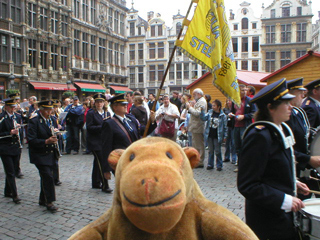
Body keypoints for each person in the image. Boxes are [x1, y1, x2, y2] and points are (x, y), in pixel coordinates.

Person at [237, 79, 310, 240]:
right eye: (286, 103)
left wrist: (293, 182)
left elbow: (273, 170)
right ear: (270, 107)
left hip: (282, 218)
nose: (291, 107)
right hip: (268, 222)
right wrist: (284, 200)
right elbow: (248, 184)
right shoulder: (259, 136)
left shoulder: (280, 129)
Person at [101, 94, 156, 176]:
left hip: (135, 158)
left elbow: (142, 132)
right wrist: (106, 169)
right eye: (122, 105)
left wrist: (152, 121)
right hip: (121, 160)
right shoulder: (109, 123)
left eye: (126, 104)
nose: (125, 106)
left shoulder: (131, 119)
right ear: (115, 107)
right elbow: (106, 146)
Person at [286, 77, 320, 199]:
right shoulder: (287, 117)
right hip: (294, 166)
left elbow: (308, 136)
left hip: (303, 166)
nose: (303, 95)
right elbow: (287, 147)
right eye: (299, 93)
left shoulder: (299, 112)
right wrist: (308, 159)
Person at [28, 100, 60, 212]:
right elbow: (31, 140)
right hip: (39, 154)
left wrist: (57, 133)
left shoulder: (52, 120)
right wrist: (46, 141)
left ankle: (43, 199)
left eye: (51, 109)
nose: (49, 112)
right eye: (47, 110)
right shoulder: (34, 121)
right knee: (48, 176)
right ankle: (49, 201)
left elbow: (56, 136)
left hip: (51, 153)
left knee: (46, 176)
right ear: (41, 110)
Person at [86, 93, 112, 193]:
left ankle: (95, 182)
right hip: (95, 142)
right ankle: (105, 184)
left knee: (97, 162)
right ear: (94, 103)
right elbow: (89, 127)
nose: (99, 104)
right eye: (97, 102)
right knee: (102, 162)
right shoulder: (91, 113)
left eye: (101, 102)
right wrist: (102, 127)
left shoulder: (107, 113)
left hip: (104, 141)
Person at [228, 84, 256, 172]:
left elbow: (254, 113)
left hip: (245, 125)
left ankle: (247, 166)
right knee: (237, 146)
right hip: (236, 126)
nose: (244, 92)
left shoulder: (250, 100)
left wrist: (244, 116)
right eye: (242, 90)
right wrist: (230, 114)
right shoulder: (234, 100)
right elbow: (232, 111)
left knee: (245, 145)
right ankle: (240, 165)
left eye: (245, 90)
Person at [0, 98, 22, 204]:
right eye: (12, 107)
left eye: (14, 107)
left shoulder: (16, 117)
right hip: (5, 147)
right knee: (10, 172)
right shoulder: (2, 118)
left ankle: (7, 191)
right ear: (6, 107)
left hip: (15, 146)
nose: (14, 109)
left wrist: (18, 127)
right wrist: (10, 132)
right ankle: (15, 194)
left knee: (13, 169)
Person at [200, 99, 228, 171]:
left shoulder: (222, 115)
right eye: (212, 105)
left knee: (218, 151)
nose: (213, 107)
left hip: (217, 135)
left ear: (218, 106)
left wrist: (225, 136)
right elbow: (203, 118)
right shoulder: (210, 113)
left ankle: (219, 165)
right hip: (209, 134)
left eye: (214, 105)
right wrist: (202, 111)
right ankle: (210, 164)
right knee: (210, 150)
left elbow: (225, 127)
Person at [185, 88, 207, 168]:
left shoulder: (202, 101)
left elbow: (197, 113)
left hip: (198, 126)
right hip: (195, 126)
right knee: (195, 144)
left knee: (199, 145)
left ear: (199, 94)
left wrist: (190, 107)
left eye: (194, 94)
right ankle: (197, 160)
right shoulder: (199, 101)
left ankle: (200, 161)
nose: (193, 96)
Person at [223, 99, 237, 163]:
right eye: (227, 101)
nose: (228, 102)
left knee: (233, 142)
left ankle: (234, 158)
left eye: (229, 101)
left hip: (233, 126)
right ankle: (227, 157)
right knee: (227, 142)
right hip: (227, 126)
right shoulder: (225, 109)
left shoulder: (235, 109)